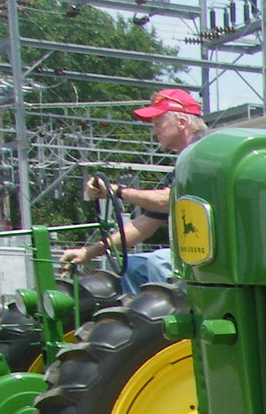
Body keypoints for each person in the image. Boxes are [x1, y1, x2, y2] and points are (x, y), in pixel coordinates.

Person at [60, 87, 209, 293]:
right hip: (196, 254)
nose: (154, 131)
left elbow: (169, 200)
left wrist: (118, 191)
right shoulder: (183, 163)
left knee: (158, 262)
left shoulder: (205, 153)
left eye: (158, 124)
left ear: (182, 122)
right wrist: (88, 252)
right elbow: (142, 226)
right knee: (131, 267)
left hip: (218, 254)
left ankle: (182, 320)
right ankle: (139, 321)